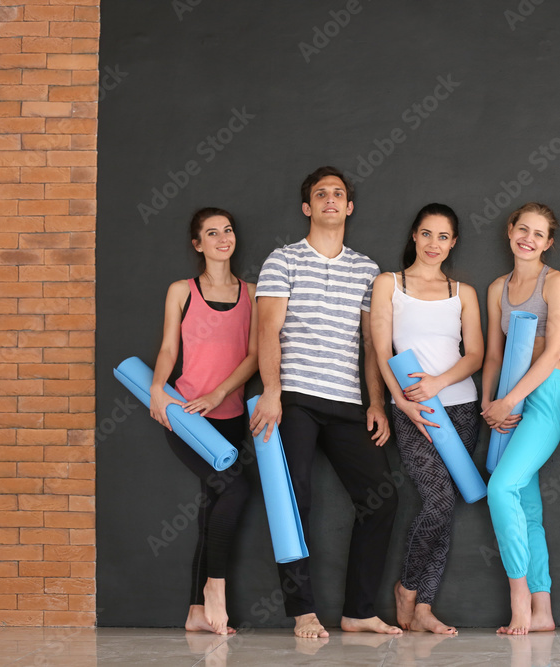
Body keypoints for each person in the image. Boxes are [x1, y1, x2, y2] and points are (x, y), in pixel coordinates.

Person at [250, 166, 400, 638]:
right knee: (294, 501)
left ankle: (358, 611)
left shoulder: (366, 269)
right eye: (321, 194)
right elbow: (267, 332)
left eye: (339, 194)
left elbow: (372, 344)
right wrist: (272, 394)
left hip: (347, 402)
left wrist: (376, 403)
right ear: (307, 207)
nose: (331, 200)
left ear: (349, 207)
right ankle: (303, 611)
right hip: (294, 398)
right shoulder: (283, 260)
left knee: (382, 500)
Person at [370, 203, 484, 635]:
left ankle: (423, 606)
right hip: (411, 409)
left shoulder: (463, 292)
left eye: (443, 237)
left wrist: (437, 383)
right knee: (436, 501)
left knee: (446, 507)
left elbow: (474, 354)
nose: (434, 244)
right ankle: (406, 588)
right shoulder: (389, 284)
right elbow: (381, 350)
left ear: (452, 243)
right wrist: (403, 402)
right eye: (426, 234)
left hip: (460, 406)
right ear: (414, 236)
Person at [149, 207, 258, 635]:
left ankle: (195, 612)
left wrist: (220, 393)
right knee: (236, 490)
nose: (222, 238)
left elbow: (253, 358)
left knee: (213, 507)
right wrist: (159, 388)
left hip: (229, 417)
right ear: (198, 244)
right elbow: (168, 350)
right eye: (212, 233)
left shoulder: (251, 292)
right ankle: (215, 588)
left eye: (228, 230)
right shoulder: (182, 290)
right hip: (187, 417)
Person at [482, 203, 560, 635]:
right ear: (510, 231)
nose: (529, 239)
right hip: (505, 400)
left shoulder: (555, 283)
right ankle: (543, 609)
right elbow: (494, 355)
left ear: (548, 242)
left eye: (539, 234)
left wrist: (511, 399)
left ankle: (518, 598)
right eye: (523, 229)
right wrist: (489, 404)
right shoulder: (497, 287)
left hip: (543, 399)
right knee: (527, 507)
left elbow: (554, 354)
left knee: (500, 488)